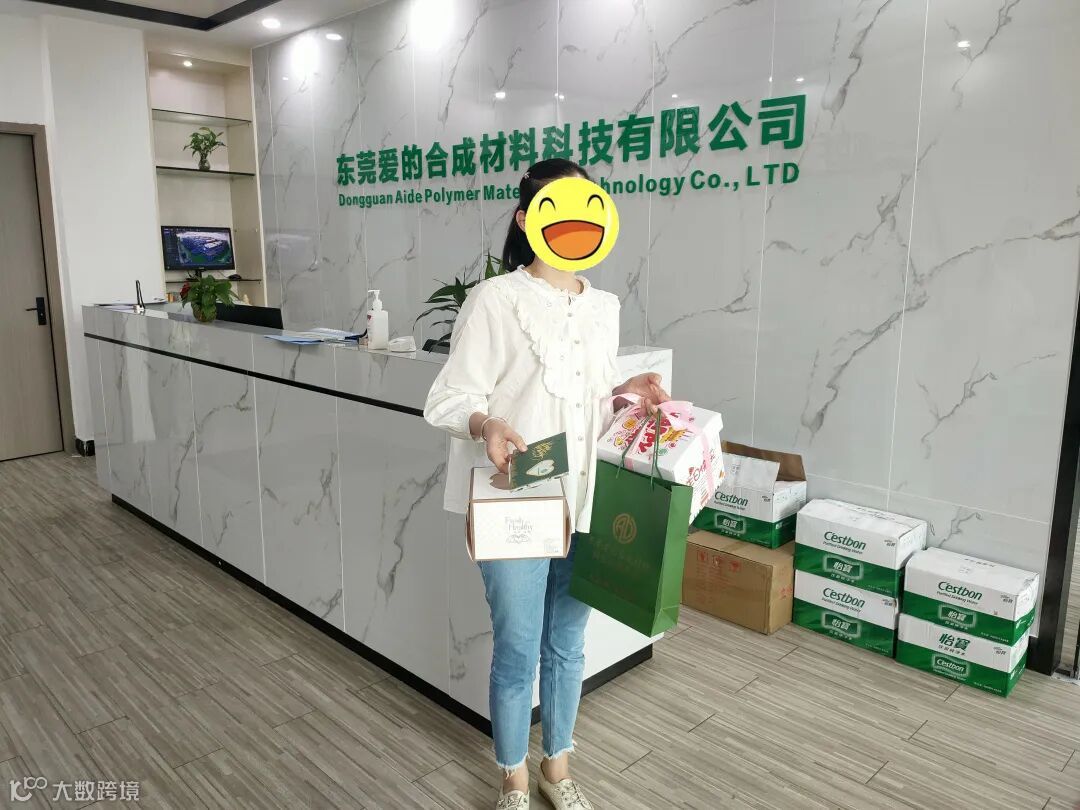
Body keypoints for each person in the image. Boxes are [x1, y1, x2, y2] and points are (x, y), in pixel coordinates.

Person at [424, 158, 668, 810]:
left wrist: (626, 392)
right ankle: (511, 775)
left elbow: (589, 401)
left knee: (567, 644)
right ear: (527, 218)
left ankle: (556, 767)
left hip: (586, 497)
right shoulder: (495, 300)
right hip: (519, 497)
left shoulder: (604, 307)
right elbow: (448, 398)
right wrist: (485, 422)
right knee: (516, 646)